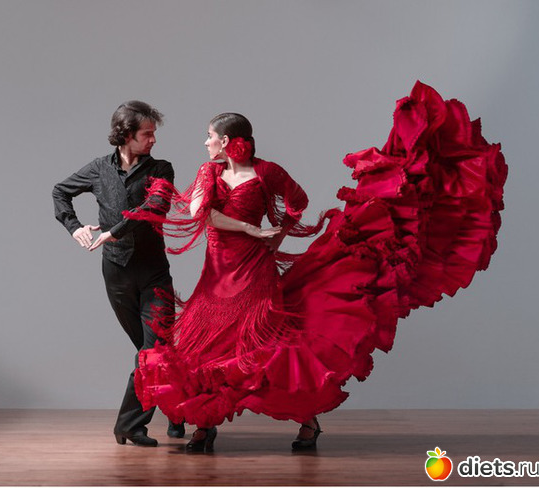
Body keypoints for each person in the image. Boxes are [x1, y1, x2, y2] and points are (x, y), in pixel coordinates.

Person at [127, 82, 507, 452]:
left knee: (268, 348)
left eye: (209, 136)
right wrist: (251, 228)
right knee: (206, 346)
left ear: (226, 141)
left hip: (254, 272)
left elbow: (298, 201)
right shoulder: (208, 172)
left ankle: (306, 421)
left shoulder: (267, 172)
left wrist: (277, 236)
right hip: (217, 275)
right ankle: (205, 424)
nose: (205, 142)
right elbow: (200, 212)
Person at [52, 100, 184, 447]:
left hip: (154, 273)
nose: (153, 139)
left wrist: (115, 230)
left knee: (155, 349)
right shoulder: (99, 169)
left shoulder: (162, 168)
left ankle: (128, 425)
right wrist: (74, 227)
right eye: (147, 134)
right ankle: (178, 410)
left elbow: (156, 205)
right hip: (116, 273)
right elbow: (60, 192)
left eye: (154, 133)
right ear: (126, 135)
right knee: (152, 352)